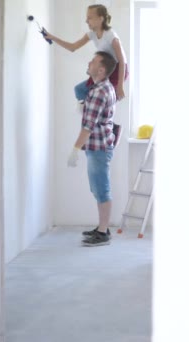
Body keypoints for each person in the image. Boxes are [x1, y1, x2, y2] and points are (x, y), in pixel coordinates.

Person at [67, 51, 118, 247]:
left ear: (102, 69)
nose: (89, 63)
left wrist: (74, 150)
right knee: (97, 187)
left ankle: (103, 232)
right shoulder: (103, 86)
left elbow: (87, 127)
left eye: (93, 61)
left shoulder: (98, 93)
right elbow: (81, 89)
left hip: (98, 146)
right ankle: (102, 227)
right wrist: (83, 101)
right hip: (101, 144)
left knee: (101, 188)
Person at [45, 4, 128, 102]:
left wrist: (120, 86)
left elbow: (122, 62)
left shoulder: (111, 36)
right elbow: (73, 47)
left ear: (100, 19)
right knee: (80, 90)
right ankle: (91, 111)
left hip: (118, 71)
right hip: (105, 70)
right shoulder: (92, 34)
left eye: (89, 18)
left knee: (102, 100)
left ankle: (96, 112)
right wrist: (53, 38)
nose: (86, 21)